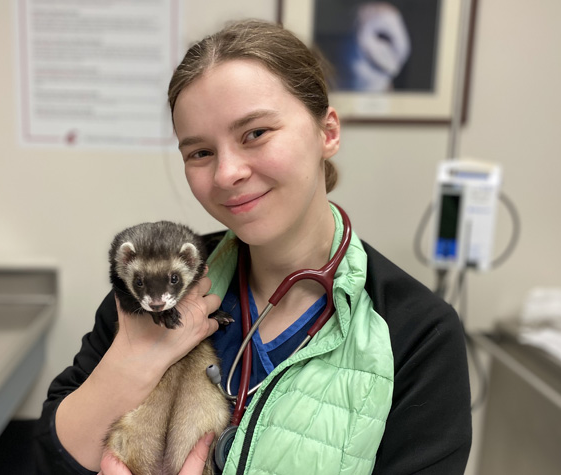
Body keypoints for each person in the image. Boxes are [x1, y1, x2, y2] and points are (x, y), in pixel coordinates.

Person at [34, 19, 472, 475]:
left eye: (255, 133)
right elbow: (52, 452)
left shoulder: (418, 333)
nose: (226, 174)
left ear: (328, 133)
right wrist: (132, 362)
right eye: (200, 152)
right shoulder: (155, 287)